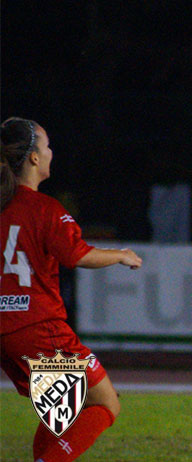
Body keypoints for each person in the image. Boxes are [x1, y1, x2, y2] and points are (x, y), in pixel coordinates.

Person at [0, 117, 142, 462]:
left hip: (6, 332)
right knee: (105, 403)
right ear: (34, 157)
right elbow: (77, 255)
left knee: (60, 410)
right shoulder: (45, 209)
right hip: (38, 327)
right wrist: (120, 255)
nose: (51, 152)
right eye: (47, 146)